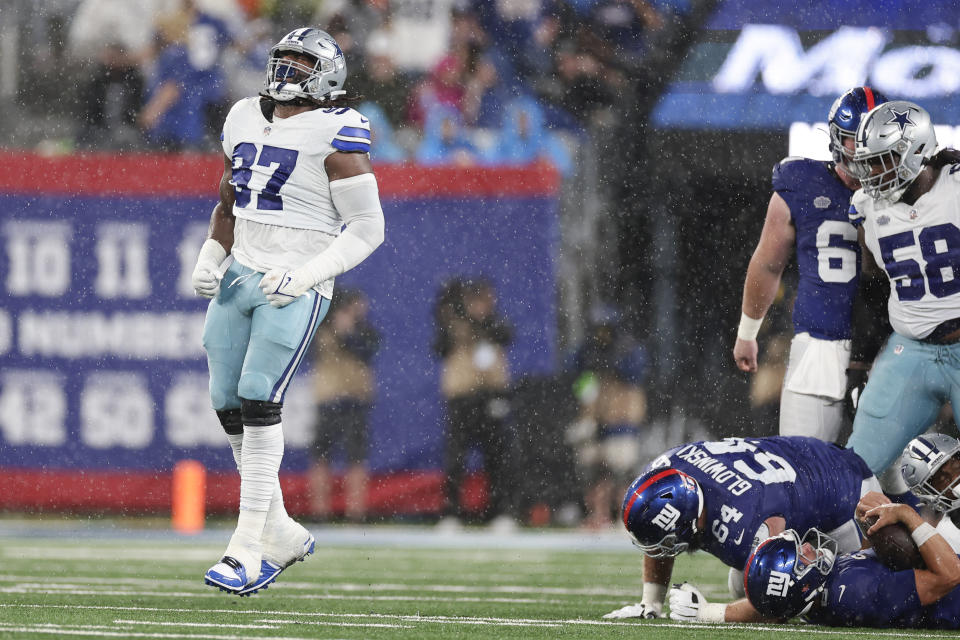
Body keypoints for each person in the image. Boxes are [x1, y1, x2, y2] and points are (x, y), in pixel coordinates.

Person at [190, 27, 385, 595]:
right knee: (226, 400)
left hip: (295, 282)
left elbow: (369, 230)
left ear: (326, 75)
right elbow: (230, 197)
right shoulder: (245, 115)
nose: (289, 71)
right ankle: (279, 529)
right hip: (242, 271)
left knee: (258, 396)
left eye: (301, 63)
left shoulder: (337, 130)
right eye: (284, 60)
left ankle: (246, 546)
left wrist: (306, 275)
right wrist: (212, 250)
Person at [733, 87, 888, 442]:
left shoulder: (911, 190)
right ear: (837, 139)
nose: (862, 150)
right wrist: (747, 333)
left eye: (871, 139)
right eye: (854, 140)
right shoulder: (801, 183)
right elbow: (768, 265)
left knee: (896, 476)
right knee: (803, 471)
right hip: (822, 343)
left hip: (892, 346)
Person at [602, 435, 880, 619]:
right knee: (742, 583)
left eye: (667, 543)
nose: (663, 551)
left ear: (688, 522)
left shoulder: (748, 521)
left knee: (848, 599)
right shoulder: (666, 470)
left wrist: (708, 613)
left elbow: (780, 597)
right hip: (804, 465)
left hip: (845, 492)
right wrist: (651, 603)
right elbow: (662, 523)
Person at [843, 100, 960, 493]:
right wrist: (859, 365)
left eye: (883, 160)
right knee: (853, 473)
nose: (871, 173)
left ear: (916, 152)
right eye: (868, 162)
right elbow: (874, 289)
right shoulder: (867, 208)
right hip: (911, 349)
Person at [666, 494, 960, 628]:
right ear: (801, 582)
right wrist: (907, 515)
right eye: (801, 555)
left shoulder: (808, 598)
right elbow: (950, 575)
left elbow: (772, 606)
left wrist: (711, 612)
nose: (808, 547)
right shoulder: (857, 591)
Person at [433, 278, 515, 529]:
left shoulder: (496, 322)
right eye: (475, 299)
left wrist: (483, 319)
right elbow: (439, 346)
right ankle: (452, 512)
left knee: (496, 456)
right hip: (462, 396)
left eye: (485, 299)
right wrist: (456, 314)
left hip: (491, 394)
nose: (481, 305)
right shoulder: (454, 323)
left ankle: (500, 512)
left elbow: (506, 334)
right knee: (456, 457)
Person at [308, 288, 380, 522]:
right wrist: (337, 331)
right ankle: (319, 511)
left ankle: (356, 512)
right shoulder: (321, 330)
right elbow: (310, 353)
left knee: (356, 457)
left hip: (355, 401)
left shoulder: (366, 332)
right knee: (321, 457)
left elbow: (367, 350)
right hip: (328, 399)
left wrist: (348, 333)